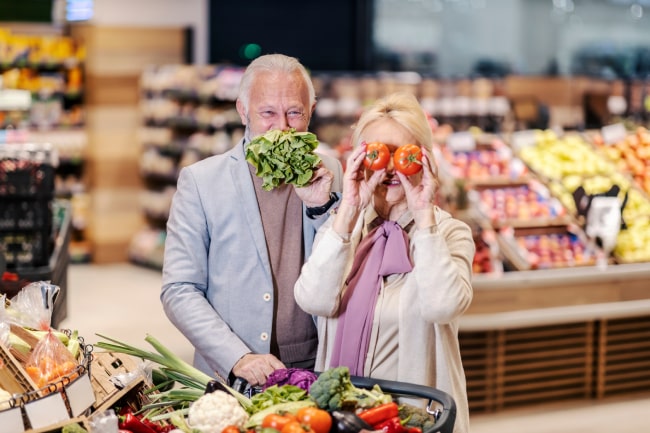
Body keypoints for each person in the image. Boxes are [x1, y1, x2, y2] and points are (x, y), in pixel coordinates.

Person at [294, 92, 474, 433]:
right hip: (340, 419)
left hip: (412, 422)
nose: (390, 168)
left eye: (403, 154)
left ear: (425, 160)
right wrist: (348, 211)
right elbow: (313, 300)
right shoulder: (344, 230)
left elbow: (444, 307)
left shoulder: (448, 234)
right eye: (378, 153)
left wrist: (423, 218)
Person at [161, 54, 343, 388]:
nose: (282, 127)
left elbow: (344, 266)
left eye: (294, 113)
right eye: (268, 113)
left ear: (311, 112)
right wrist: (237, 357)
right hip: (229, 376)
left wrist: (322, 208)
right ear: (243, 111)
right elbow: (179, 289)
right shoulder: (201, 181)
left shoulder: (332, 173)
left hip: (315, 369)